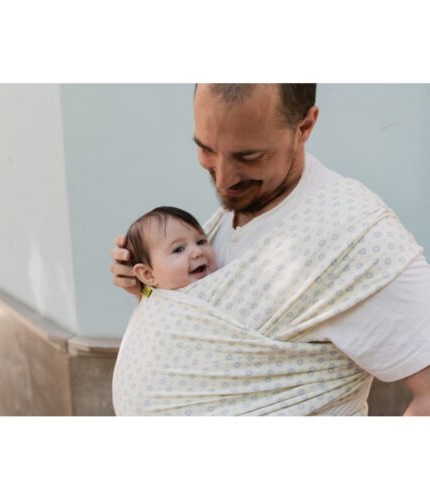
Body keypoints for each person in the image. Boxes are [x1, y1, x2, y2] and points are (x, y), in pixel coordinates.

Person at [111, 84, 430, 416]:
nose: (223, 180)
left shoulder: (358, 236)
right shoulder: (236, 211)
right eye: (207, 150)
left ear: (304, 127)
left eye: (247, 157)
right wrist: (154, 296)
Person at [124, 206, 217, 291]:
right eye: (179, 249)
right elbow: (145, 293)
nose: (198, 252)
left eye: (201, 242)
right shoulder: (154, 300)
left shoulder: (219, 281)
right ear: (148, 274)